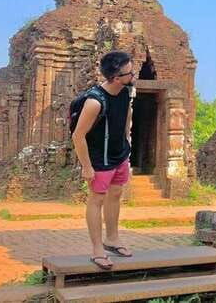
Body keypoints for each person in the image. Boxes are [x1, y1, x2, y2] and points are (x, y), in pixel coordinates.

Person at [72, 51, 136, 270]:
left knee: (115, 195)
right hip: (99, 160)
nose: (133, 74)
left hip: (119, 155)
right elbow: (78, 136)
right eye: (129, 72)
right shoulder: (94, 102)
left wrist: (126, 144)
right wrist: (87, 166)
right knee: (96, 199)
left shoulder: (126, 92)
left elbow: (126, 120)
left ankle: (113, 238)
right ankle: (97, 249)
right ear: (116, 77)